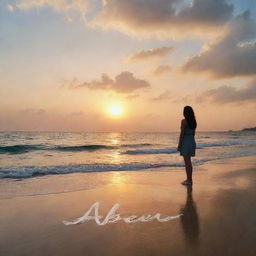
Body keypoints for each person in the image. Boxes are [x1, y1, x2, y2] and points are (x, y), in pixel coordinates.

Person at [177, 106, 197, 186]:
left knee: (187, 162)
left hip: (185, 141)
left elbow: (182, 134)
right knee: (189, 162)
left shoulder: (184, 121)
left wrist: (179, 144)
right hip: (191, 141)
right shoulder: (194, 122)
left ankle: (189, 180)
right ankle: (190, 179)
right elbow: (193, 134)